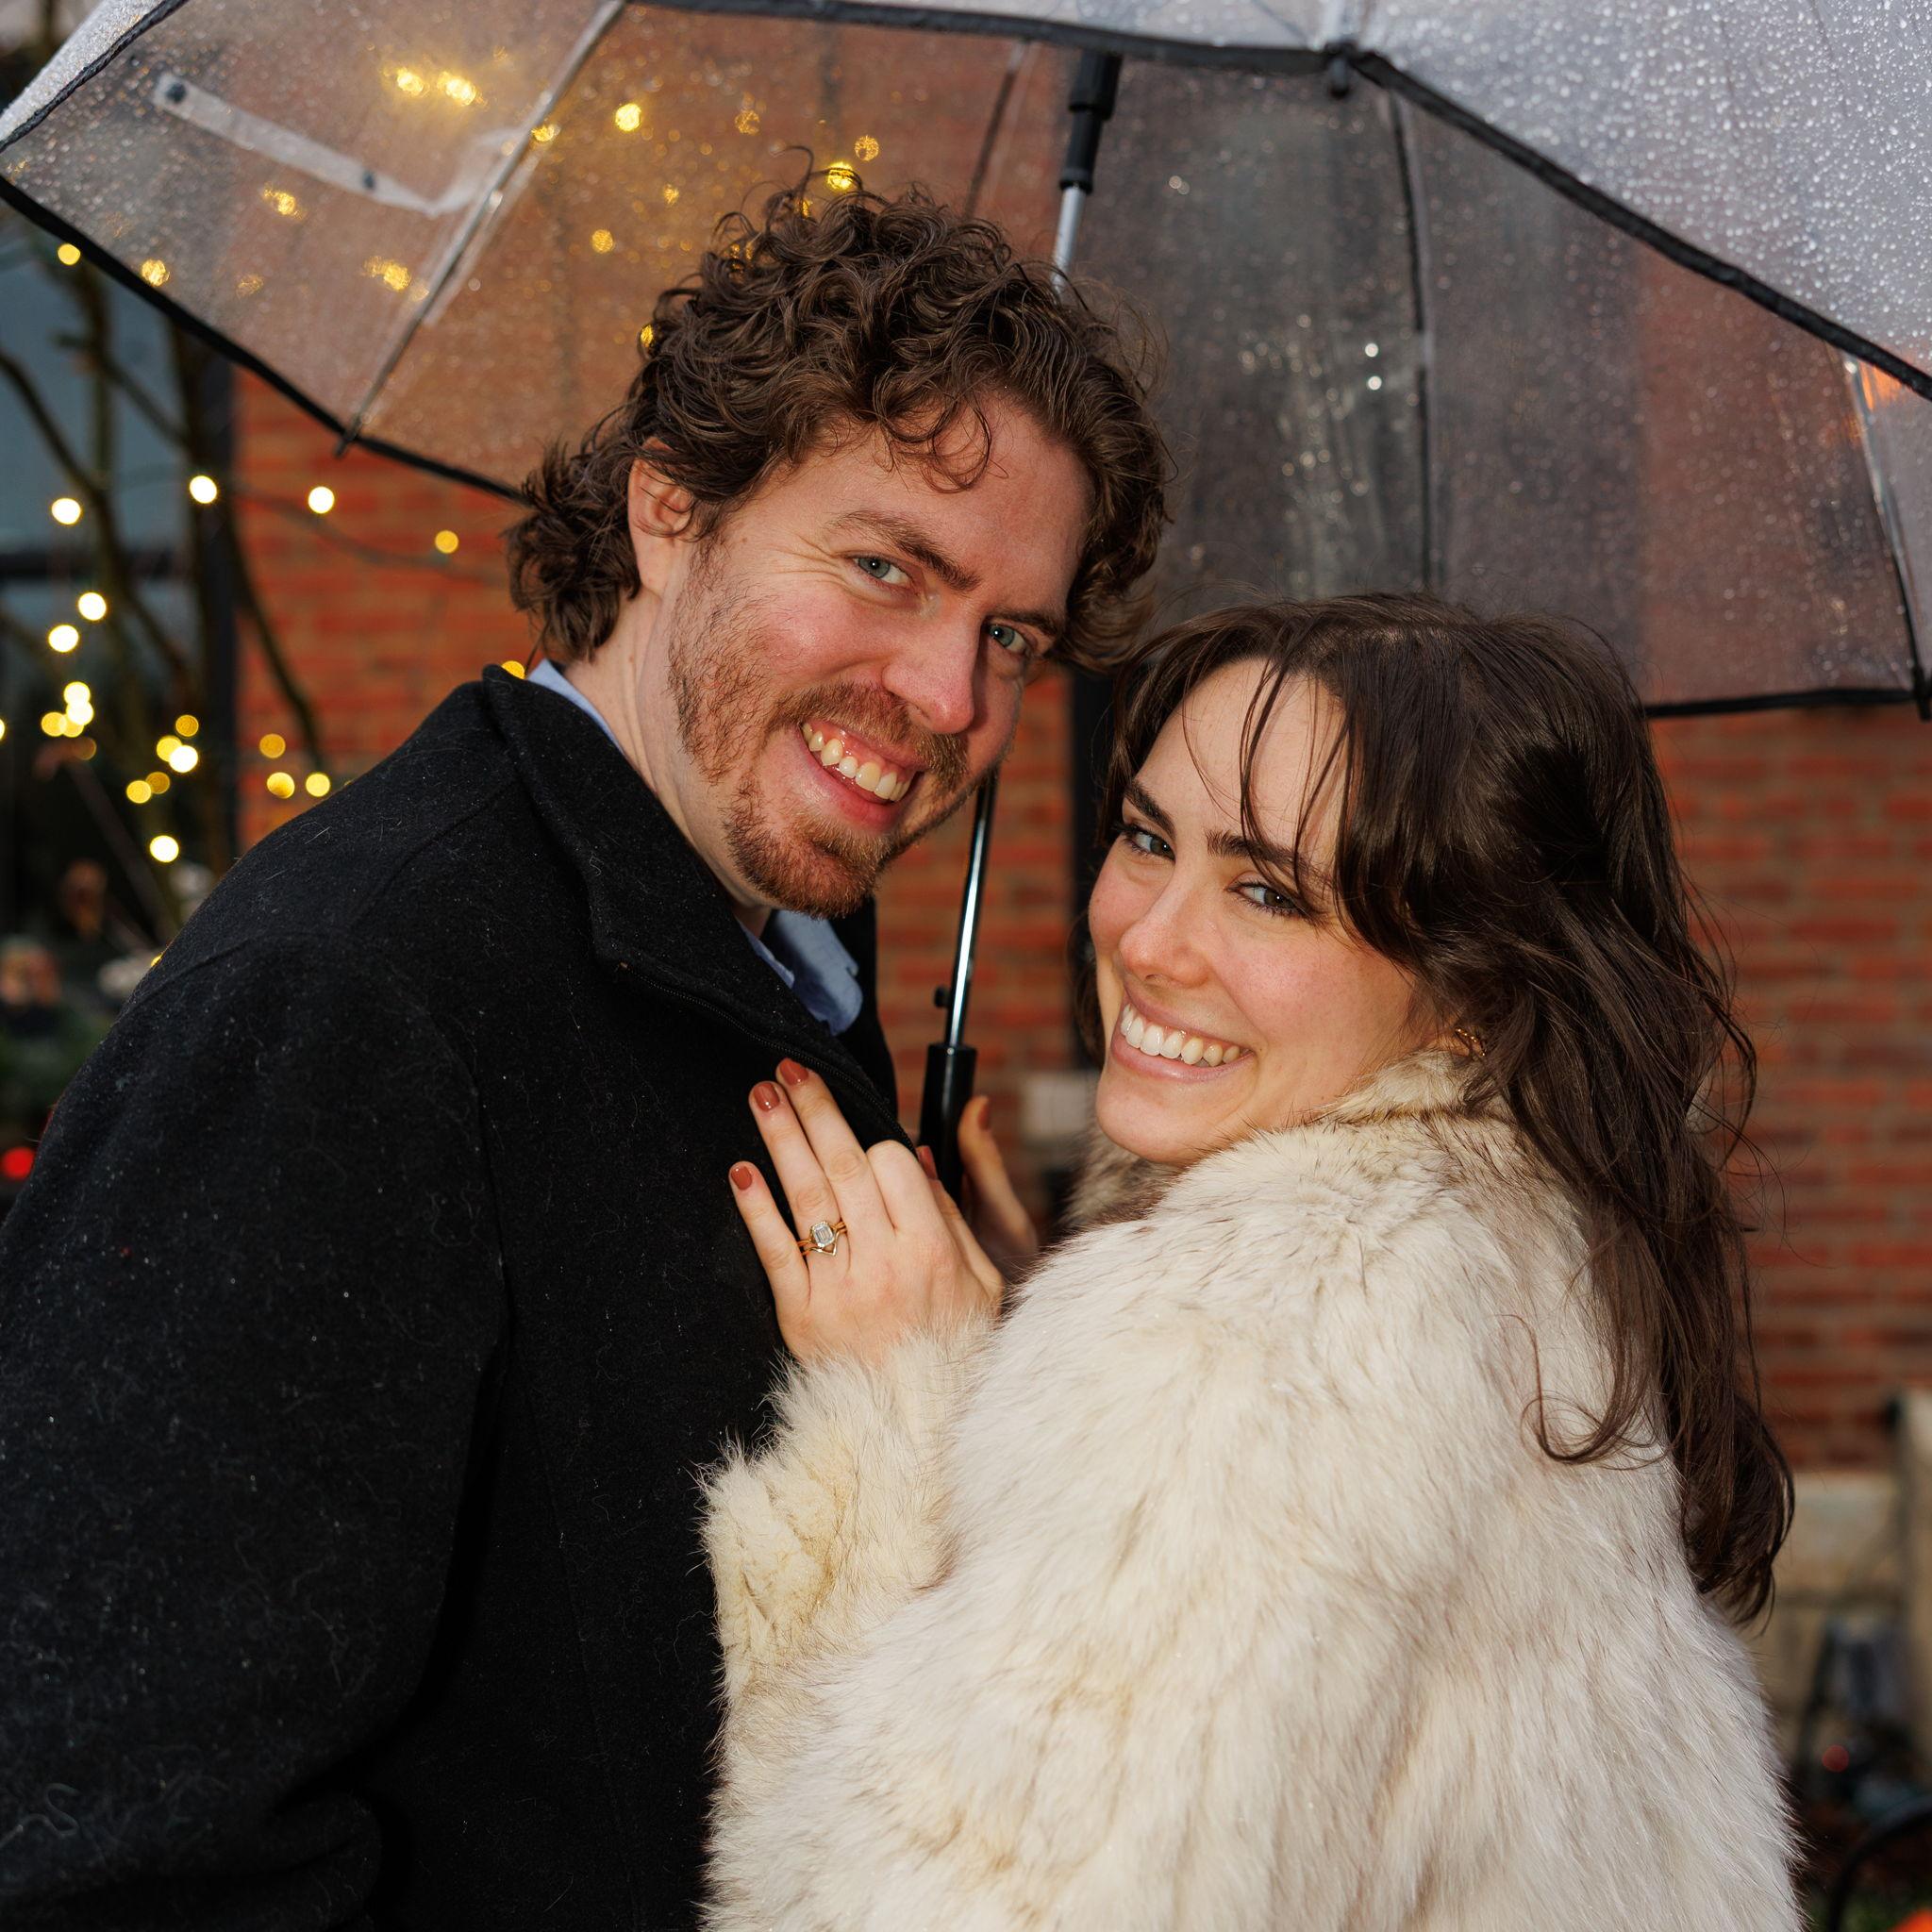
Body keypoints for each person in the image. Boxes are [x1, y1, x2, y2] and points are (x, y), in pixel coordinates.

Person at [0, 183, 1166, 1929]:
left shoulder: (774, 958)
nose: (949, 699)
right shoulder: (352, 1000)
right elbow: (116, 1838)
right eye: (886, 567)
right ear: (671, 506)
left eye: (1010, 635)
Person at [702, 593, 1801, 1930]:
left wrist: (898, 1408)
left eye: (1269, 892)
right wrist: (1038, 1356)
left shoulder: (1243, 1353)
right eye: (1147, 837)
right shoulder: (1539, 1261)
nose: (1150, 939)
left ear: (1472, 995)